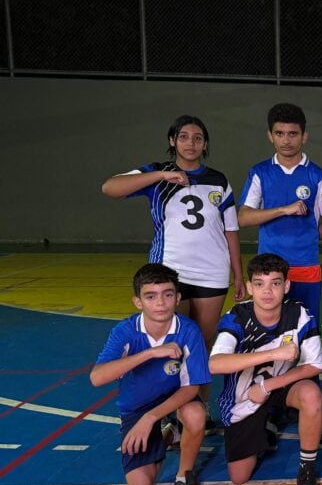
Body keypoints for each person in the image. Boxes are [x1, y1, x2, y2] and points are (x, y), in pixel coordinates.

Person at [100, 115, 245, 351]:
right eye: (183, 137)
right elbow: (109, 188)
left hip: (212, 272)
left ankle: (199, 378)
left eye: (197, 138)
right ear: (172, 141)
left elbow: (230, 231)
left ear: (205, 144)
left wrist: (238, 274)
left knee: (202, 343)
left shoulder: (218, 180)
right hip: (170, 269)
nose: (191, 143)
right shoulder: (157, 173)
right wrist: (161, 175)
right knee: (172, 343)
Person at [209, 253, 322, 485]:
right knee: (239, 476)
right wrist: (274, 353)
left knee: (311, 394)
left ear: (286, 286)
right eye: (259, 284)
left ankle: (306, 473)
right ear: (249, 287)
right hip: (244, 396)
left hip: (278, 386)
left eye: (275, 283)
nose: (267, 291)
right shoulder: (237, 316)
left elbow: (315, 365)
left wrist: (267, 386)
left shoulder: (298, 314)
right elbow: (215, 364)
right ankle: (268, 424)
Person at [89, 264, 212, 485]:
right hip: (138, 402)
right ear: (138, 302)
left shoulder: (188, 331)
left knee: (196, 414)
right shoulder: (125, 331)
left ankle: (184, 476)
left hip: (175, 397)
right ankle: (169, 434)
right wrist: (150, 353)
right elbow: (97, 378)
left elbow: (192, 388)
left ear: (178, 298)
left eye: (167, 294)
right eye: (150, 296)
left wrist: (151, 417)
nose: (160, 303)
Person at [238, 103, 322, 326]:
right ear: (270, 136)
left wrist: (304, 240)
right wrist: (283, 210)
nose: (286, 140)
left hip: (307, 266)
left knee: (306, 328)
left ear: (304, 136)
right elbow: (243, 217)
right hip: (268, 270)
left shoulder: (318, 175)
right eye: (279, 133)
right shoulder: (260, 172)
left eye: (293, 134)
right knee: (269, 329)